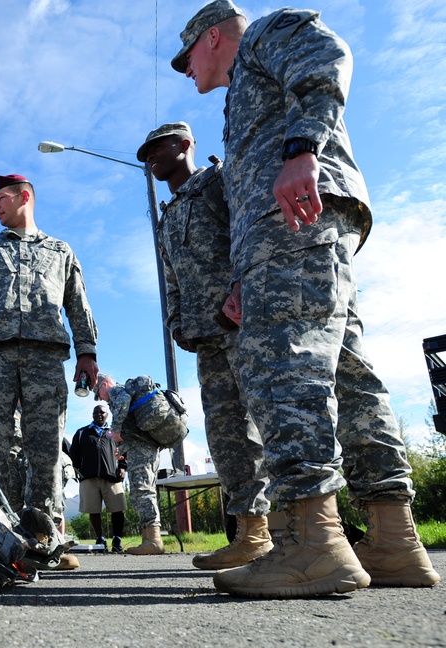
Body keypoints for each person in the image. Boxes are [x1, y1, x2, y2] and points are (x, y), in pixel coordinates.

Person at [174, 0, 440, 596]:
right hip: (298, 232)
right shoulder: (241, 90)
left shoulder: (269, 32)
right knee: (349, 374)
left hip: (294, 219)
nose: (185, 69)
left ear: (212, 36)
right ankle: (394, 540)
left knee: (283, 371)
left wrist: (302, 150)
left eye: (187, 55)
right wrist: (244, 275)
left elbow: (326, 56)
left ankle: (313, 545)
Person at [138, 121, 272, 570]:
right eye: (146, 153)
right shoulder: (169, 215)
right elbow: (171, 277)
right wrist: (176, 320)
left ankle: (301, 528)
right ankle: (253, 534)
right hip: (206, 337)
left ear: (186, 144)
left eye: (158, 147)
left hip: (245, 320)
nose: (150, 156)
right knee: (228, 434)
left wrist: (240, 286)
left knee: (271, 421)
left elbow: (250, 234)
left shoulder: (219, 181)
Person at [0, 174, 99, 533]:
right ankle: (3, 527)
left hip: (45, 356)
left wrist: (87, 352)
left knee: (46, 446)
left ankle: (46, 530)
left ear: (25, 197)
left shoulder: (61, 250)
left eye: (1, 198)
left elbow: (78, 304)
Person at [94, 373, 165, 555]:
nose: (100, 398)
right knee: (144, 489)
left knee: (142, 490)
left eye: (98, 393)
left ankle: (153, 540)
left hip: (142, 449)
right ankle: (149, 538)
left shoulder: (117, 391)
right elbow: (132, 428)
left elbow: (124, 400)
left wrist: (116, 429)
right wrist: (122, 446)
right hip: (143, 446)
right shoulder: (122, 393)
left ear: (103, 385)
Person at [69, 404, 127, 553]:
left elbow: (123, 452)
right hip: (89, 478)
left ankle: (117, 540)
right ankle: (100, 539)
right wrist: (76, 471)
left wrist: (122, 467)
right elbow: (74, 454)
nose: (99, 415)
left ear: (107, 415)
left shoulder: (114, 433)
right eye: (96, 412)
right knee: (93, 509)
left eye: (102, 412)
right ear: (92, 414)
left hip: (112, 477)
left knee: (118, 509)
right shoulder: (82, 432)